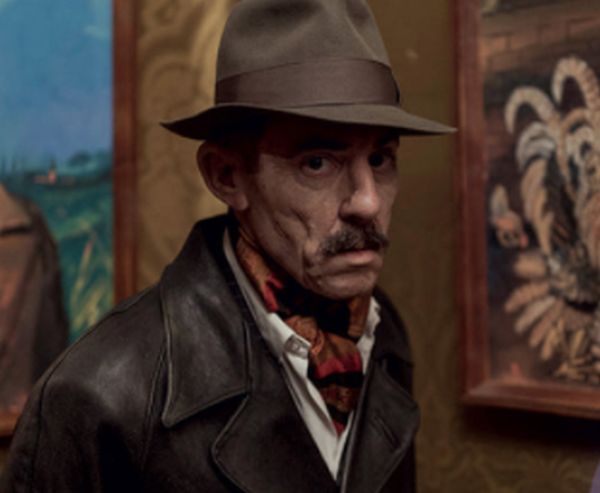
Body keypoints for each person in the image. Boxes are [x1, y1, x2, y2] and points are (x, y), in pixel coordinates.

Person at [1, 0, 452, 491]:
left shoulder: (382, 332)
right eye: (318, 162)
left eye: (381, 159)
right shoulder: (95, 395)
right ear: (227, 176)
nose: (367, 202)